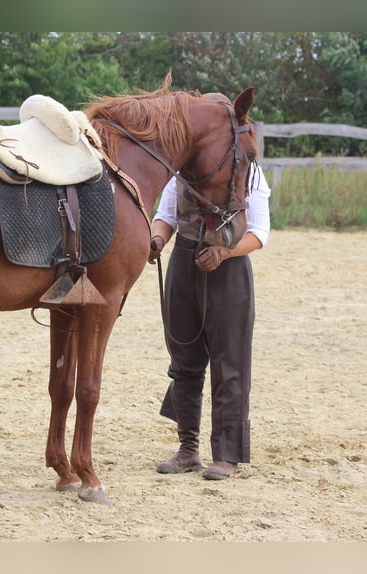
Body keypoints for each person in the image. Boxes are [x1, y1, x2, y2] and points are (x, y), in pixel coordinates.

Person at [148, 116, 271, 480]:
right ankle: (187, 449)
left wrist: (224, 252)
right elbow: (165, 215)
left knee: (229, 362)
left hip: (229, 270)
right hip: (183, 263)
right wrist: (156, 240)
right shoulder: (182, 172)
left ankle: (227, 456)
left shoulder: (250, 175)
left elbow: (260, 232)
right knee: (183, 356)